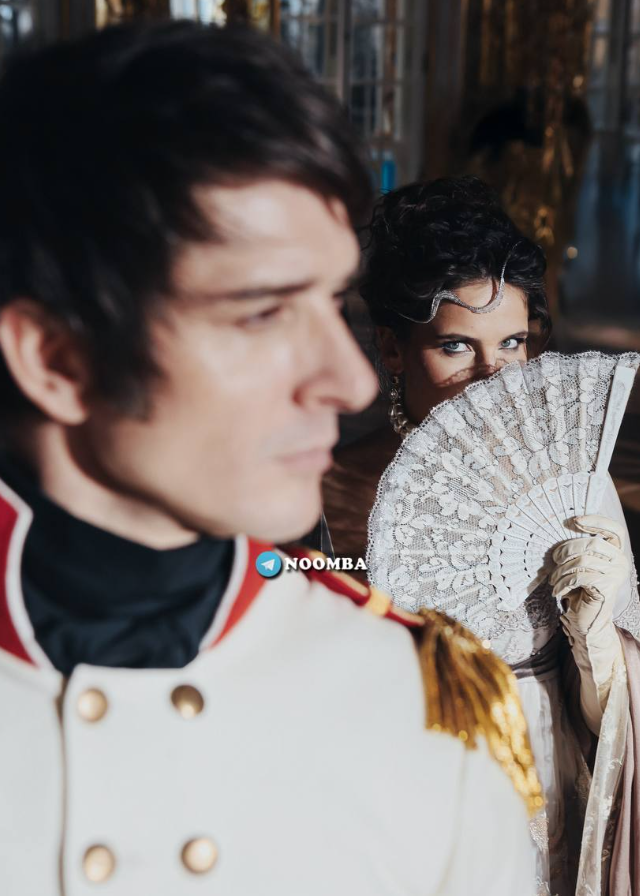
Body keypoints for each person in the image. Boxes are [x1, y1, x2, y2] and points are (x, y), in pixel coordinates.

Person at [0, 23, 539, 896]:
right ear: (58, 360)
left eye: (330, 303)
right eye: (262, 313)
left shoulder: (416, 704)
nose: (347, 380)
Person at [323, 176, 640, 895]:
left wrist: (599, 645)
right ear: (393, 349)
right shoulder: (330, 488)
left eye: (513, 342)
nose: (493, 375)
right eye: (456, 346)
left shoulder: (574, 482)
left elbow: (617, 714)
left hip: (545, 796)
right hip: (398, 797)